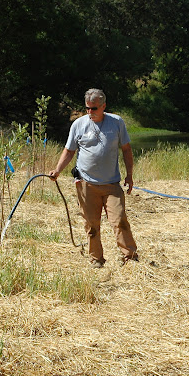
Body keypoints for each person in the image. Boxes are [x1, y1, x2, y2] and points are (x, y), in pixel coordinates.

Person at [49, 88, 138, 268]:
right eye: (87, 108)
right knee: (91, 225)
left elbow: (127, 149)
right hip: (86, 184)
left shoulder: (117, 123)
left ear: (103, 106)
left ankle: (130, 258)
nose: (90, 112)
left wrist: (129, 175)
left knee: (119, 220)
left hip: (112, 184)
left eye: (94, 108)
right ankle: (96, 259)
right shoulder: (78, 125)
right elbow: (69, 151)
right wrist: (57, 170)